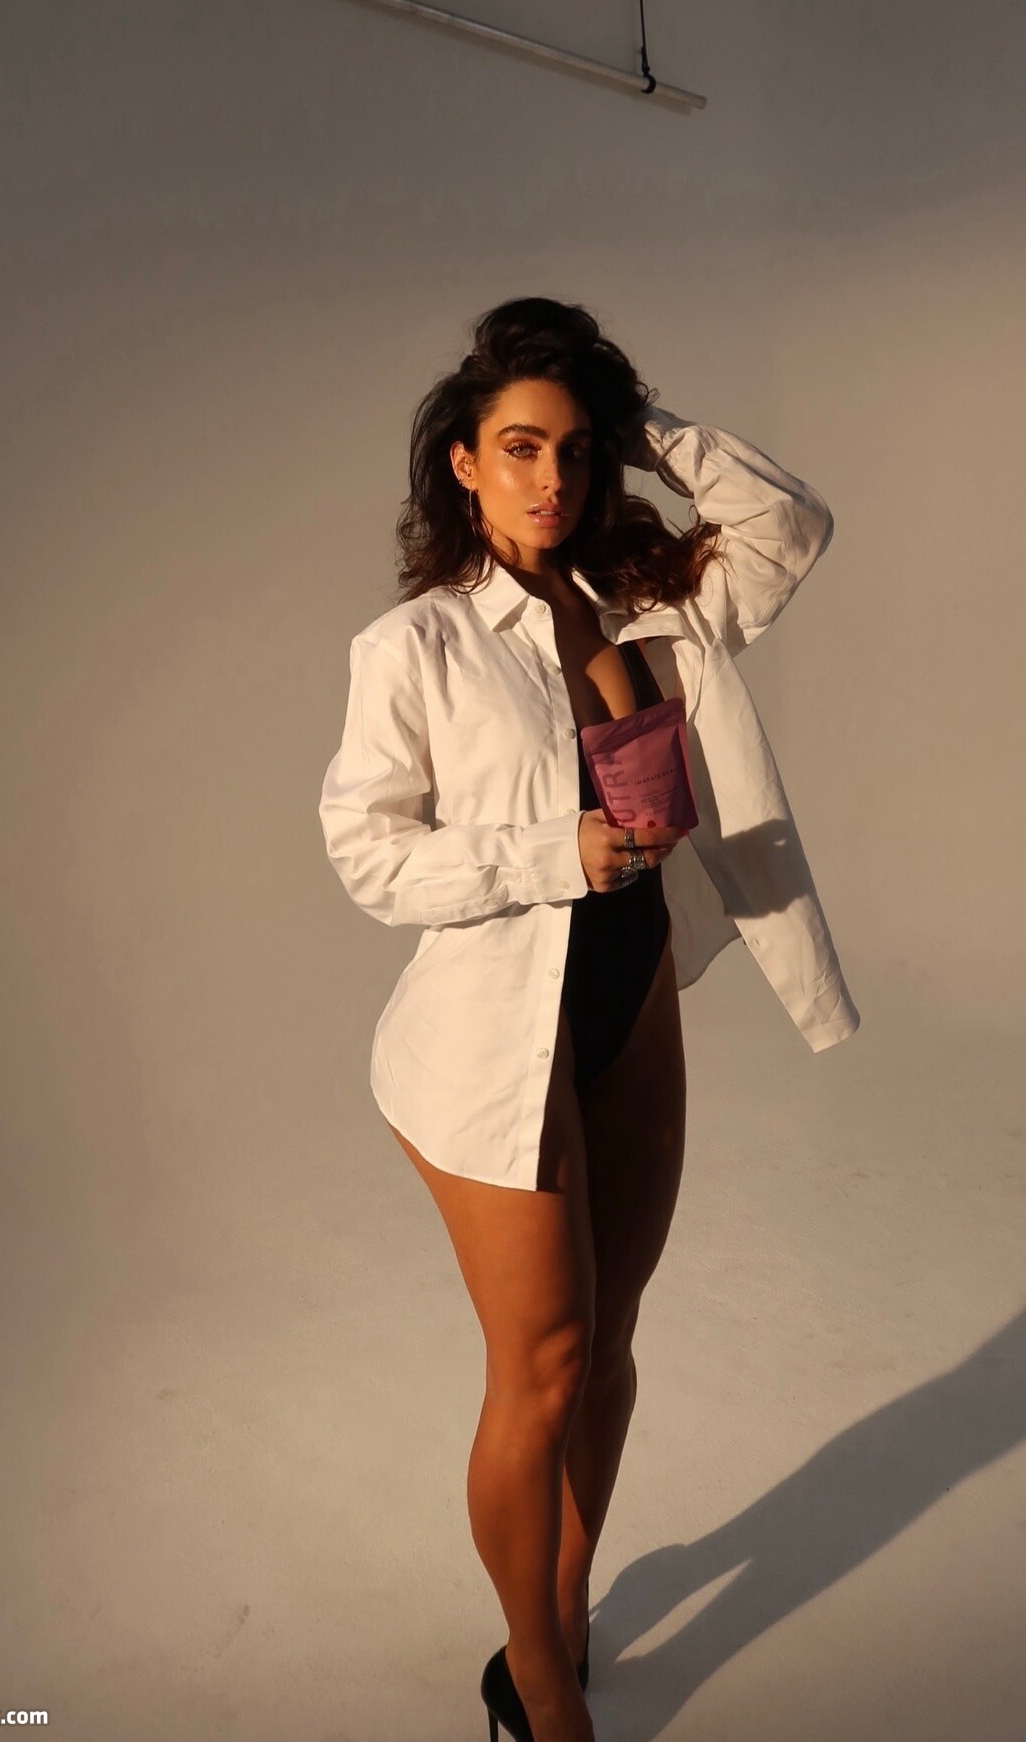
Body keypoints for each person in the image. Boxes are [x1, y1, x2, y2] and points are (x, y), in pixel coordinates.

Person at [319, 296, 860, 1742]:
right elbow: (368, 855)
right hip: (490, 1039)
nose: (551, 477)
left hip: (631, 1001)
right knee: (544, 1363)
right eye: (519, 447)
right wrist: (552, 851)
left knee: (611, 1341)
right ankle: (538, 1682)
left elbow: (790, 524)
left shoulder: (640, 598)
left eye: (575, 447)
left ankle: (560, 1606)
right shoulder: (417, 646)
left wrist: (647, 425)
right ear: (463, 464)